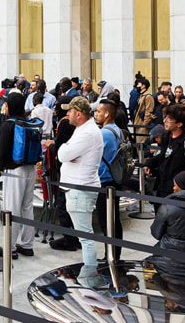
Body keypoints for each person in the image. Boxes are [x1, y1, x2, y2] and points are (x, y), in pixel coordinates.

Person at [58, 97, 104, 288]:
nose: (66, 114)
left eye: (69, 111)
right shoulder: (85, 130)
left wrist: (63, 148)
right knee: (86, 236)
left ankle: (89, 277)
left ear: (78, 113)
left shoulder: (87, 133)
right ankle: (89, 276)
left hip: (80, 189)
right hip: (80, 187)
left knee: (86, 237)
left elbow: (62, 154)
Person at [0, 92, 37, 258]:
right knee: (27, 206)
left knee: (11, 208)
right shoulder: (29, 122)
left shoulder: (8, 124)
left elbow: (2, 151)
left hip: (14, 171)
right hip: (30, 168)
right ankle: (27, 244)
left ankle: (10, 247)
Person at [44, 96, 81, 252]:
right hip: (76, 170)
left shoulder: (65, 123)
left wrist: (51, 144)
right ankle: (74, 237)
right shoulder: (77, 124)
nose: (55, 108)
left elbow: (61, 151)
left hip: (66, 170)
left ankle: (70, 239)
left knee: (63, 205)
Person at [146, 104, 185, 200]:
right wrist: (149, 163)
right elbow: (164, 156)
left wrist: (179, 184)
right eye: (165, 118)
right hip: (162, 187)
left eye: (169, 119)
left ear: (179, 124)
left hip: (178, 192)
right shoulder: (167, 136)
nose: (164, 121)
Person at [93, 98, 123, 260]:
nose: (96, 114)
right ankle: (114, 254)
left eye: (98, 111)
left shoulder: (104, 133)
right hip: (115, 179)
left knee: (106, 221)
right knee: (114, 219)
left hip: (105, 180)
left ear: (106, 113)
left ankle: (110, 255)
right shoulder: (116, 130)